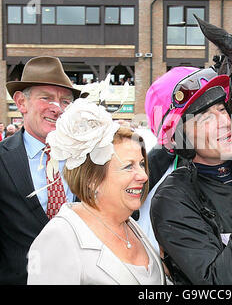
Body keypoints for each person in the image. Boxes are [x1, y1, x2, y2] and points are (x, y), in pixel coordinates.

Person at [145, 67, 232, 285]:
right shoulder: (172, 199)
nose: (225, 122)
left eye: (222, 109)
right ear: (181, 138)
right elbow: (220, 283)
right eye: (206, 118)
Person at [27, 99, 166, 285]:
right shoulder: (60, 238)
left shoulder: (129, 225)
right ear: (93, 180)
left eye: (141, 164)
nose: (143, 176)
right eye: (128, 167)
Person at [0, 56, 85, 284]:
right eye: (46, 98)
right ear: (21, 103)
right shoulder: (2, 160)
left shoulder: (90, 158)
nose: (56, 108)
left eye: (65, 101)